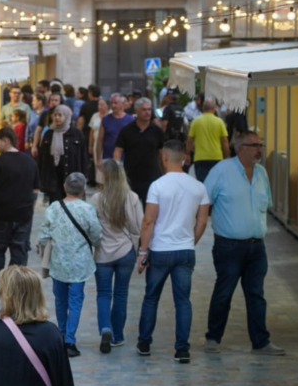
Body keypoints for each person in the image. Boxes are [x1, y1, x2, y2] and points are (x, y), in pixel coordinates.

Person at [203, 131, 286, 356]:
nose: (260, 149)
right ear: (240, 148)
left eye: (261, 145)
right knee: (224, 293)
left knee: (256, 295)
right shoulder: (221, 171)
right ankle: (213, 338)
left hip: (257, 247)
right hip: (228, 247)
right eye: (255, 145)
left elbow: (265, 204)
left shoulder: (261, 173)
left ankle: (261, 342)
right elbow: (203, 202)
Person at [135, 141, 209, 364]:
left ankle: (144, 342)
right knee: (183, 301)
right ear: (184, 158)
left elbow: (149, 221)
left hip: (160, 250)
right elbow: (202, 221)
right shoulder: (199, 186)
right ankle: (182, 349)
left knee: (151, 297)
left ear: (164, 157)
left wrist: (143, 252)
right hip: (185, 250)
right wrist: (190, 241)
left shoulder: (157, 186)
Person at [38, 173, 101, 357]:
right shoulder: (88, 209)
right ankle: (70, 340)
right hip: (80, 265)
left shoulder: (54, 208)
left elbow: (43, 236)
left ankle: (61, 334)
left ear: (65, 188)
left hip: (58, 263)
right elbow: (96, 235)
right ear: (83, 190)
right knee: (75, 301)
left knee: (60, 300)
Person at [89, 160, 142, 353]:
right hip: (126, 251)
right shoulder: (132, 198)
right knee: (121, 293)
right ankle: (117, 335)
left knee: (103, 294)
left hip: (103, 254)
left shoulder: (97, 199)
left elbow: (91, 227)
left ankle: (105, 328)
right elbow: (139, 225)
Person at [0, 127, 41, 294]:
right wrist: (31, 208)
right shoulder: (30, 162)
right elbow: (35, 189)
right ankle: (16, 283)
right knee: (19, 249)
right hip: (23, 214)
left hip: (0, 214)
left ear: (5, 141)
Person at [113, 97, 165, 204]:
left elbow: (162, 154)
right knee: (130, 208)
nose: (147, 112)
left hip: (152, 177)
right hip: (131, 177)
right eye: (144, 109)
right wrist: (117, 171)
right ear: (136, 111)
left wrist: (166, 173)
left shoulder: (157, 131)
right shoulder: (126, 131)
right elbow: (118, 151)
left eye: (149, 109)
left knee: (150, 208)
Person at [37, 105, 86, 203]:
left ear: (66, 116)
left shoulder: (76, 133)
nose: (57, 118)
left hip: (72, 177)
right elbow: (42, 157)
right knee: (56, 204)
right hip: (53, 177)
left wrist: (83, 178)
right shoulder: (49, 134)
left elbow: (83, 157)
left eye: (60, 115)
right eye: (55, 115)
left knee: (72, 205)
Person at [185, 98, 229, 182]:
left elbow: (190, 140)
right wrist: (226, 156)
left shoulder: (196, 122)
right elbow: (224, 141)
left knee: (202, 183)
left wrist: (187, 154)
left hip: (200, 158)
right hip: (216, 157)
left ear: (203, 108)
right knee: (216, 182)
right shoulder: (219, 122)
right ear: (214, 109)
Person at [95, 94, 133, 173]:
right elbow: (100, 140)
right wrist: (98, 159)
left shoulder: (130, 120)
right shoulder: (105, 119)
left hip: (126, 158)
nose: (113, 106)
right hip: (108, 158)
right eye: (111, 103)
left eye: (115, 103)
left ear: (122, 104)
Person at [88, 98, 109, 186]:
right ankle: (100, 185)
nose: (100, 107)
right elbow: (92, 131)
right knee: (98, 165)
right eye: (99, 105)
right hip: (96, 145)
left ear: (107, 105)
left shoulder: (111, 115)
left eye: (102, 105)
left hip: (107, 145)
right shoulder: (95, 115)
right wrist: (90, 145)